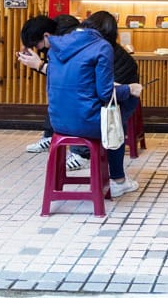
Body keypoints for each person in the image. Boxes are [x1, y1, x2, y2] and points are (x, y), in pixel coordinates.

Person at [18, 16, 143, 197]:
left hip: (58, 124)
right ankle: (117, 180)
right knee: (117, 119)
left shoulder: (56, 48)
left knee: (111, 114)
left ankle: (87, 158)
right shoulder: (102, 47)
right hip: (87, 124)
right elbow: (105, 94)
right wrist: (129, 89)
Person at [65, 10, 141, 168]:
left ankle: (83, 153)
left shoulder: (110, 55)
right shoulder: (89, 50)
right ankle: (114, 174)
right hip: (92, 108)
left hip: (105, 107)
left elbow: (106, 93)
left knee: (112, 116)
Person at [20, 14, 82, 168]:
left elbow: (68, 75)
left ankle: (81, 153)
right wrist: (36, 63)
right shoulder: (59, 38)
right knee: (57, 94)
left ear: (47, 35)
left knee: (66, 97)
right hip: (81, 89)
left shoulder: (70, 42)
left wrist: (39, 65)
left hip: (89, 91)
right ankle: (50, 135)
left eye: (37, 45)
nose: (38, 48)